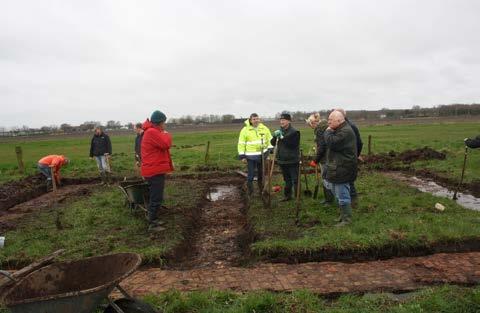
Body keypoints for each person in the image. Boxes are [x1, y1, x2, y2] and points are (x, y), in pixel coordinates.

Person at [323, 110, 358, 227]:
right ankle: (342, 216)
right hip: (338, 167)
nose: (328, 123)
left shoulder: (345, 131)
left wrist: (327, 132)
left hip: (343, 168)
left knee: (343, 195)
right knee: (338, 194)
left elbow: (332, 143)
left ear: (339, 120)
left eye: (330, 120)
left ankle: (346, 220)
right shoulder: (340, 129)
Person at [141, 110, 174, 231]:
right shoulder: (152, 132)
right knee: (156, 197)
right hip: (154, 170)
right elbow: (166, 144)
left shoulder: (151, 131)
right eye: (164, 123)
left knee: (154, 196)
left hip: (153, 169)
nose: (165, 126)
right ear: (159, 123)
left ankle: (153, 218)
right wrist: (166, 133)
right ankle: (152, 223)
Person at [237, 113, 273, 195]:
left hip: (263, 155)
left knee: (261, 174)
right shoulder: (245, 130)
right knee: (251, 175)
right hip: (250, 157)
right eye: (254, 119)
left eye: (257, 119)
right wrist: (242, 156)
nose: (256, 120)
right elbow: (241, 143)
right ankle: (250, 191)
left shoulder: (264, 128)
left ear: (259, 119)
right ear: (250, 120)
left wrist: (270, 148)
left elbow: (270, 139)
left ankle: (261, 190)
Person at [270, 113, 300, 201]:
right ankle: (287, 196)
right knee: (287, 179)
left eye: (284, 120)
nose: (282, 122)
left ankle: (297, 197)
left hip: (292, 160)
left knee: (295, 179)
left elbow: (292, 145)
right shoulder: (279, 130)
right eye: (281, 120)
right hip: (282, 160)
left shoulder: (295, 132)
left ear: (289, 121)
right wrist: (275, 136)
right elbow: (272, 143)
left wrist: (282, 137)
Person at [306, 113, 334, 205]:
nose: (310, 127)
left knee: (326, 178)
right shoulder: (326, 127)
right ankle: (329, 199)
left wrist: (315, 160)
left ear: (313, 123)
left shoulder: (319, 130)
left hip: (325, 158)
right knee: (329, 178)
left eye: (310, 125)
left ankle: (329, 200)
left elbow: (322, 147)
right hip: (331, 156)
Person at [335, 108, 363, 201]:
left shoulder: (350, 127)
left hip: (348, 157)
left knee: (349, 180)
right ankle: (347, 200)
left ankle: (352, 201)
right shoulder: (340, 126)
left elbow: (359, 143)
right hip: (347, 157)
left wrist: (355, 155)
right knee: (347, 180)